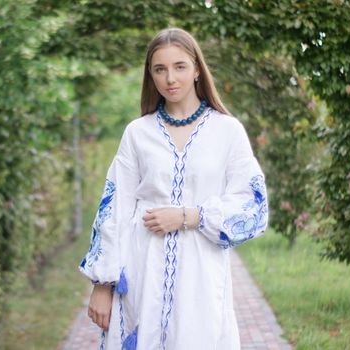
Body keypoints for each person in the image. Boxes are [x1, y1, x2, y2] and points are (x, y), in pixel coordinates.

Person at [78, 27, 268, 350]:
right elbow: (115, 208)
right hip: (142, 271)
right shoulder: (137, 133)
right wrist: (102, 283)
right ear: (150, 76)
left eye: (180, 66)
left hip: (202, 276)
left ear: (196, 69)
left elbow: (253, 207)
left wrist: (188, 216)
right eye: (160, 69)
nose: (170, 78)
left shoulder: (227, 131)